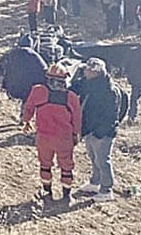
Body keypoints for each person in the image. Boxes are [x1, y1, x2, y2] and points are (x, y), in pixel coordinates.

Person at [22, 62, 82, 201]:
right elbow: (77, 119)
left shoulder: (37, 91)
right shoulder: (71, 97)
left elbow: (29, 107)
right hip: (64, 138)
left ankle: (47, 193)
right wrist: (76, 134)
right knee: (66, 167)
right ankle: (66, 195)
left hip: (44, 137)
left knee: (45, 165)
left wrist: (26, 121)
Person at [72, 58, 124, 202]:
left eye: (87, 70)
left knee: (103, 160)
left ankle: (106, 190)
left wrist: (100, 132)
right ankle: (95, 183)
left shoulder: (109, 91)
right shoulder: (88, 83)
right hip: (89, 129)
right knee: (93, 157)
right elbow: (75, 88)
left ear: (95, 72)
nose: (84, 71)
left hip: (102, 133)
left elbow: (110, 115)